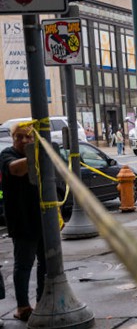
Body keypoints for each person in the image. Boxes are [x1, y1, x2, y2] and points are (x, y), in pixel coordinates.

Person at [0, 123, 46, 322]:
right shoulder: (7, 154)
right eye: (19, 137)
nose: (24, 141)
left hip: (44, 219)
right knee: (24, 265)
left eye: (28, 137)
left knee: (46, 264)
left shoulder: (40, 154)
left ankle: (43, 302)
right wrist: (38, 155)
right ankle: (23, 307)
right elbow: (15, 170)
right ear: (13, 138)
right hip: (22, 221)